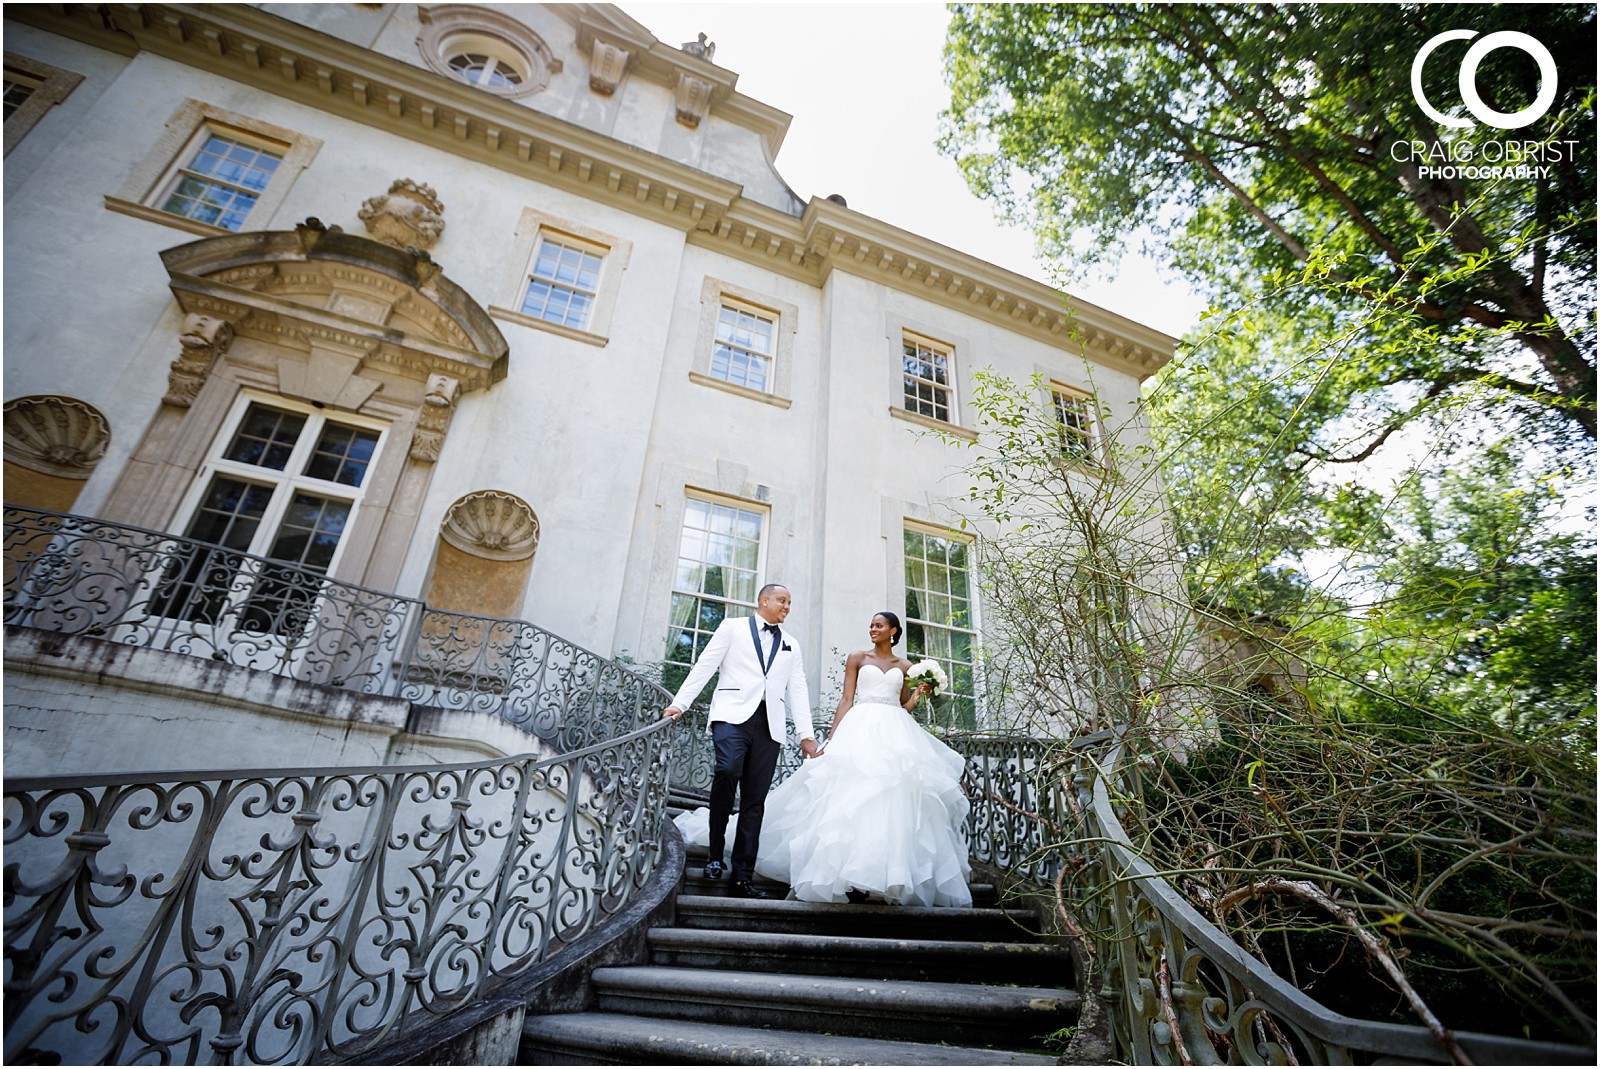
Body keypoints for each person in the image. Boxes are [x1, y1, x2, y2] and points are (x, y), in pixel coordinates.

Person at [676, 611, 972, 907]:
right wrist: (831, 738)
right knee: (851, 797)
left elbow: (904, 705)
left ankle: (877, 873)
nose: (872, 629)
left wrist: (919, 693)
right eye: (870, 625)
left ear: (893, 631)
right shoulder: (858, 657)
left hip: (894, 730)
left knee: (890, 801)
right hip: (860, 727)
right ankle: (845, 872)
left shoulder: (906, 666)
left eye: (879, 626)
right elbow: (847, 699)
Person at [662, 583, 818, 899]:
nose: (787, 606)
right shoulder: (732, 628)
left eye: (790, 602)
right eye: (782, 600)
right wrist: (681, 703)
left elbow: (797, 689)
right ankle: (715, 856)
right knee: (727, 769)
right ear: (764, 600)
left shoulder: (791, 644)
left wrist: (806, 735)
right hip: (731, 715)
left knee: (754, 802)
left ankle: (742, 877)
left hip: (769, 726)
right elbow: (705, 665)